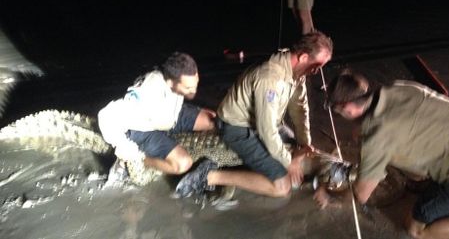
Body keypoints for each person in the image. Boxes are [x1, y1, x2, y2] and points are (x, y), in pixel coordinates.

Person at [325, 70, 449, 239]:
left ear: (347, 107)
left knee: (415, 228)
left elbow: (361, 195)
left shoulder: (376, 136)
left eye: (337, 111)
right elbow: (415, 164)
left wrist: (330, 195)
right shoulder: (399, 87)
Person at [175, 31, 334, 198]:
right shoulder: (270, 78)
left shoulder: (298, 71)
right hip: (238, 127)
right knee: (282, 186)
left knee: (296, 154)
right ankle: (208, 176)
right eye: (317, 65)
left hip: (268, 123)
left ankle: (260, 166)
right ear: (303, 57)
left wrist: (304, 143)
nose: (317, 71)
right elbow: (267, 130)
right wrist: (290, 162)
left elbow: (300, 108)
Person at [98, 52, 216, 180]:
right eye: (188, 87)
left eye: (196, 83)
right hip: (145, 129)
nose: (194, 90)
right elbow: (105, 116)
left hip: (170, 114)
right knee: (182, 164)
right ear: (171, 82)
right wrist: (126, 148)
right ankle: (132, 161)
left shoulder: (175, 80)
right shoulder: (145, 95)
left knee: (213, 120)